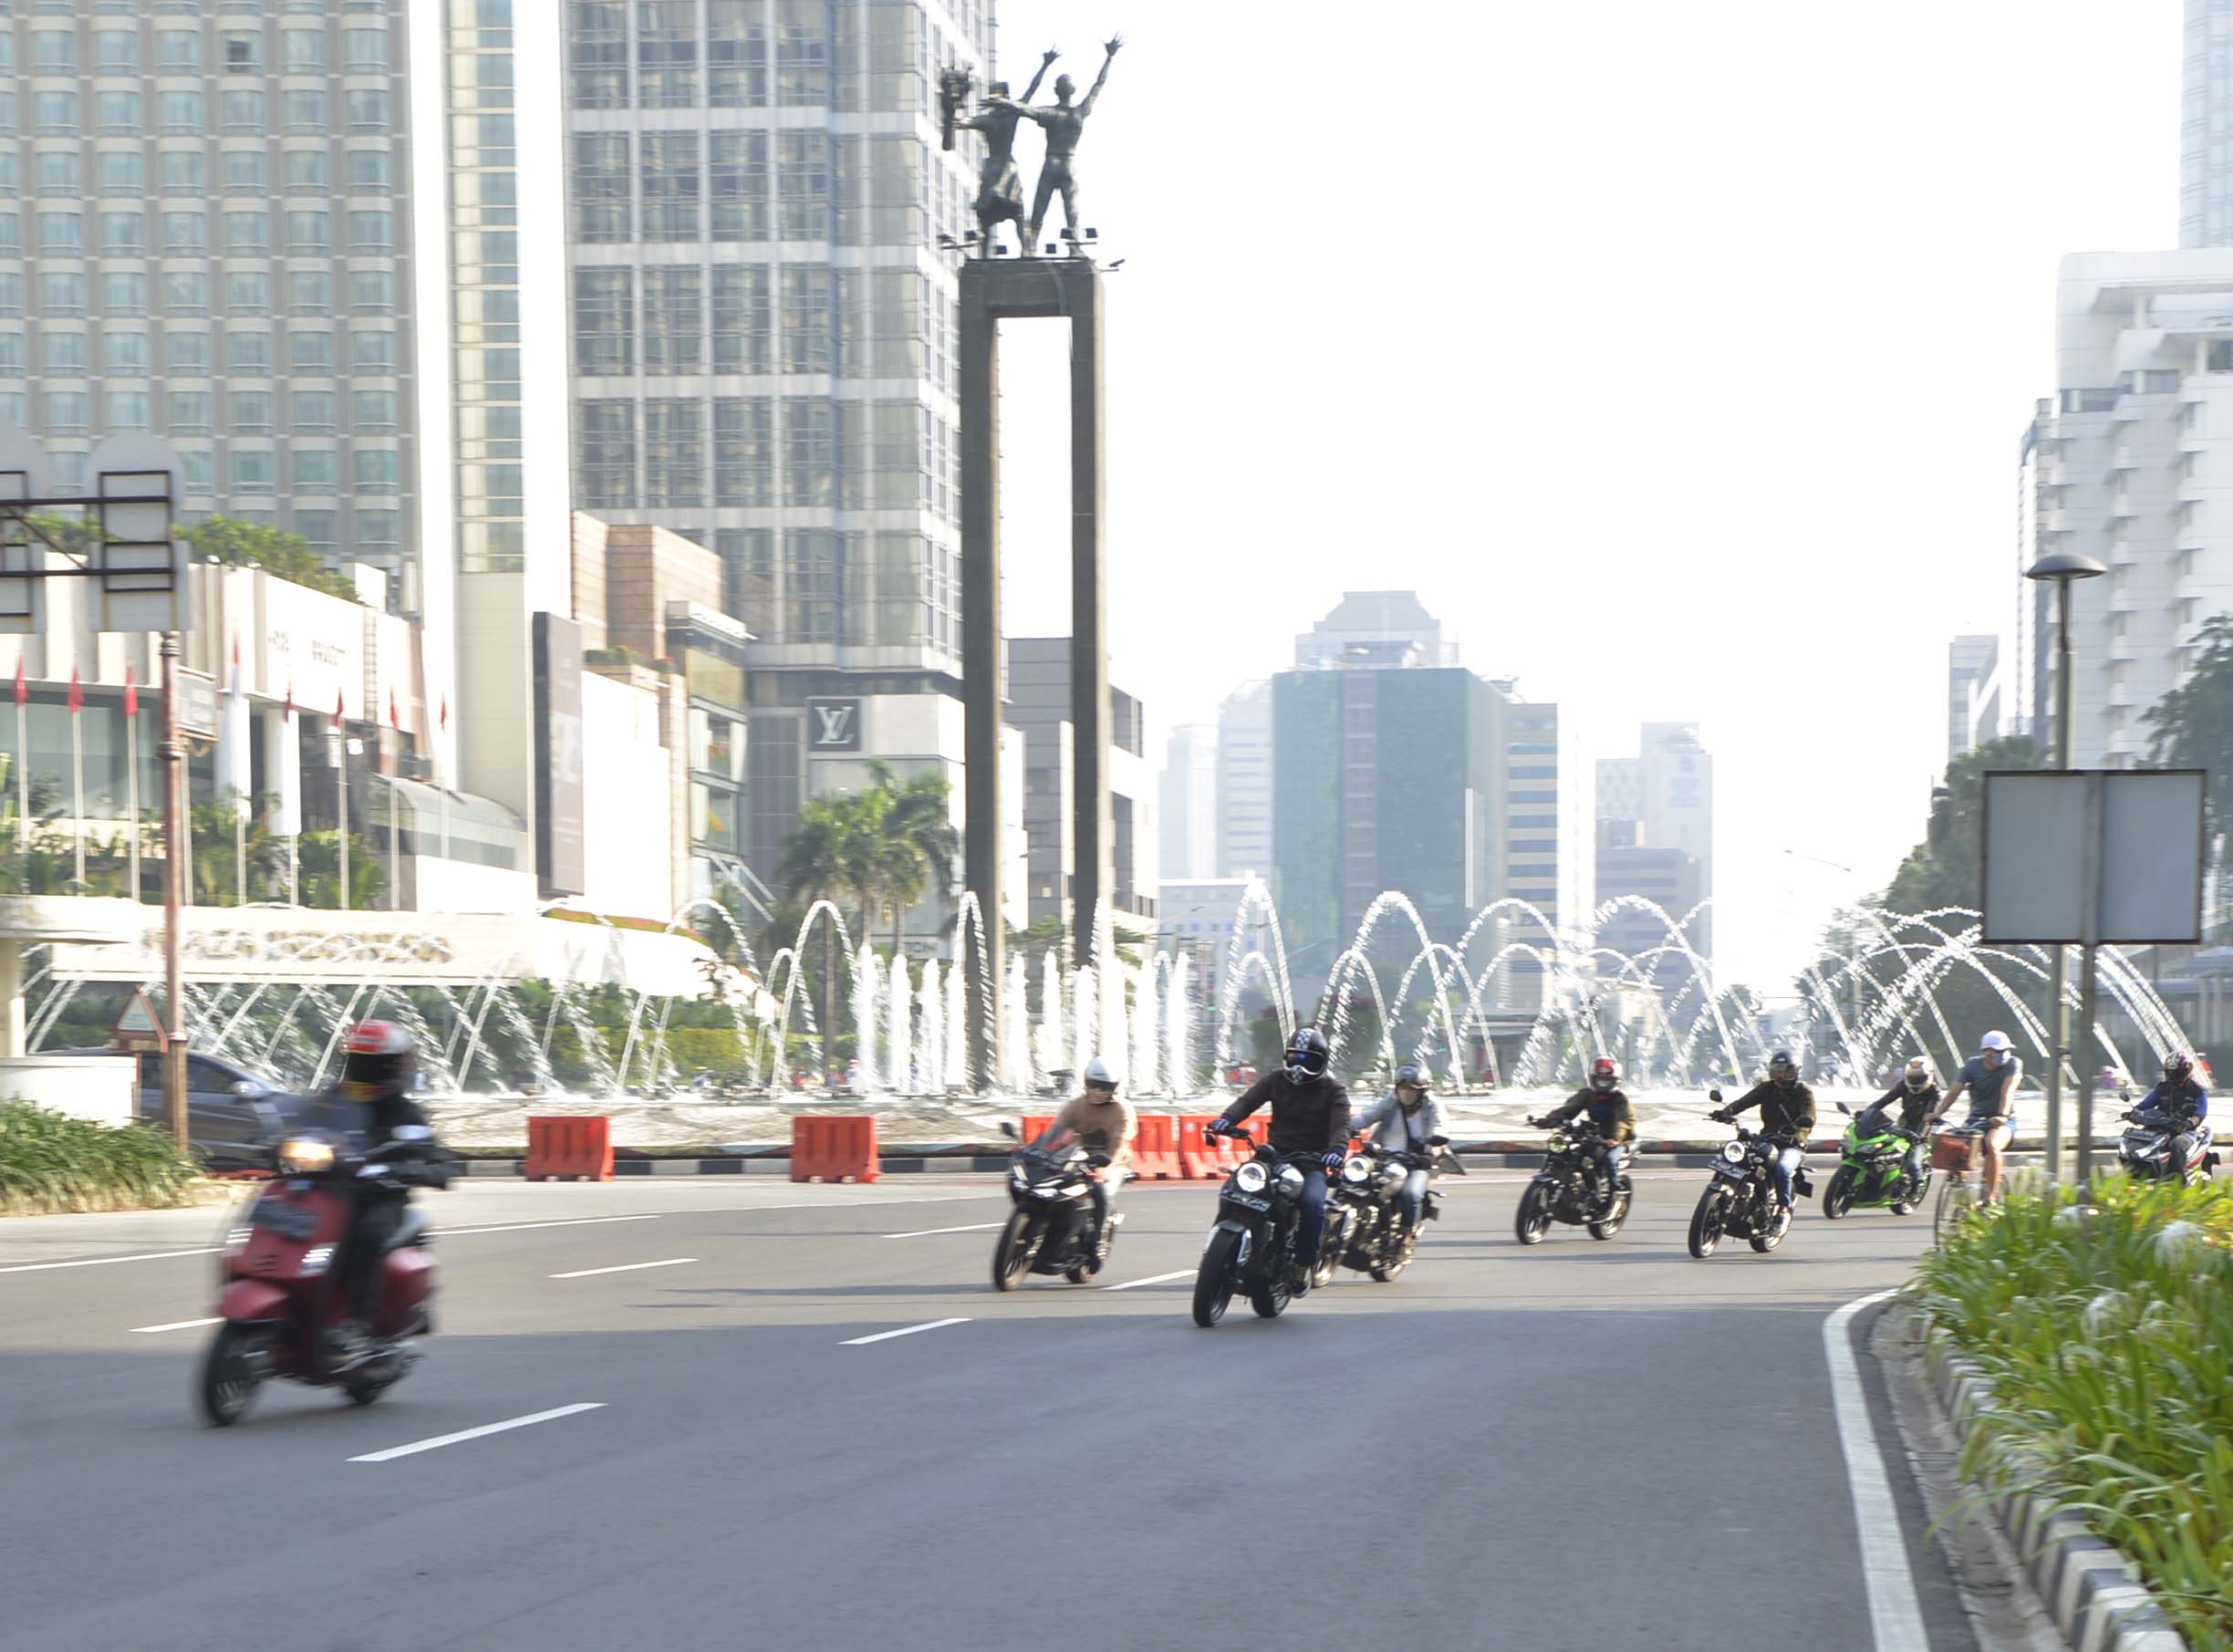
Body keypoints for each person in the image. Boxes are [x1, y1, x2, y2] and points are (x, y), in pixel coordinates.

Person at [329, 1021, 451, 1362]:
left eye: (369, 1063)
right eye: (356, 1061)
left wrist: (415, 1169)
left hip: (380, 1198)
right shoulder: (333, 1099)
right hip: (330, 1192)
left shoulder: (403, 1110)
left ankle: (357, 1325)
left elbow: (436, 1159)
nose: (361, 1070)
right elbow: (304, 1123)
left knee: (367, 1235)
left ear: (390, 1066)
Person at [1209, 1026, 1351, 1294]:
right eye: (1295, 1057)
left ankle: (1301, 1266)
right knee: (1235, 1188)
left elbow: (1341, 1126)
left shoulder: (1334, 1091)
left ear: (1321, 1061)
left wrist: (1337, 1150)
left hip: (1312, 1162)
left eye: (1307, 1059)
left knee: (1312, 1205)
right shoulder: (1275, 1080)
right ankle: (1218, 1241)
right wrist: (1226, 1120)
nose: (1300, 1065)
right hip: (1273, 1155)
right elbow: (1247, 1101)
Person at [1027, 1055, 1137, 1260]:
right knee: (1049, 1186)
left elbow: (1119, 1145)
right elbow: (1056, 1133)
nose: (1098, 1092)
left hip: (1113, 1162)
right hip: (1078, 1158)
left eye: (1104, 1087)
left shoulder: (1122, 1110)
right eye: (1094, 1085)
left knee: (1100, 1192)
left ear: (1113, 1088)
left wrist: (1108, 1169)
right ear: (1086, 1083)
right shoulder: (1076, 1105)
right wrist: (1038, 1151)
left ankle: (1096, 1242)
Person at [957, 47, 1059, 254]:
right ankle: (1022, 252)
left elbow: (1030, 91)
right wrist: (1045, 66)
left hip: (1000, 168)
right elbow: (967, 122)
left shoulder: (1000, 117)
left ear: (1003, 97)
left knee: (1001, 216)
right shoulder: (993, 119)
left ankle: (1017, 253)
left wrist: (1045, 66)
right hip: (1002, 167)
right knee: (1008, 215)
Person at [1348, 1061, 1449, 1234]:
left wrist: (1435, 1140)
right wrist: (1343, 1125)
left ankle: (1406, 1234)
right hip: (1384, 1158)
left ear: (1422, 1091)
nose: (1406, 1093)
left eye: (1412, 1089)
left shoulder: (1433, 1106)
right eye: (1402, 1088)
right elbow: (1367, 1117)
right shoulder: (1390, 1101)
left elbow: (1440, 1126)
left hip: (1417, 1163)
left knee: (1411, 1194)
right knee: (1352, 1180)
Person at [1709, 1050, 1816, 1213]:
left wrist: (1798, 1135)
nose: (1780, 1077)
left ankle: (1783, 1208)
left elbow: (1809, 1117)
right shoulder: (1767, 1088)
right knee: (1741, 1158)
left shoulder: (1804, 1093)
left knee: (1783, 1169)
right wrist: (1726, 1112)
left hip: (1791, 1144)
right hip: (1767, 1138)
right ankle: (1734, 1196)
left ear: (1795, 1072)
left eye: (1785, 1072)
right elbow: (1745, 1101)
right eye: (1777, 1072)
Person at [1531, 1055, 1636, 1213]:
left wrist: (1615, 1139)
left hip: (1619, 1140)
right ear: (1592, 1078)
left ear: (1615, 1080)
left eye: (1606, 1079)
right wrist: (1549, 1120)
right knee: (1571, 1152)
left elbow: (1621, 1122)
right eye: (1599, 1079)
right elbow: (1570, 1109)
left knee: (1609, 1160)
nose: (1602, 1082)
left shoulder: (1620, 1100)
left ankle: (1616, 1195)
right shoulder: (1587, 1094)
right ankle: (1573, 1187)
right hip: (1595, 1134)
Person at [1931, 1030, 2021, 1207]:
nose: (2003, 1055)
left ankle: (1991, 1198)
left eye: (2005, 1051)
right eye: (1998, 1051)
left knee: (1992, 1145)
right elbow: (1954, 1092)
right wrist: (1937, 1113)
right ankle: (1960, 1190)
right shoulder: (1972, 1065)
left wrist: (2002, 1115)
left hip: (2003, 1121)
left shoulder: (2013, 1063)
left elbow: (2008, 1090)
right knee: (1955, 1148)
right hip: (1976, 1120)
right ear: (1986, 1051)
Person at [1856, 1057, 1937, 1190]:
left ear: (1928, 1075)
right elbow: (1883, 1101)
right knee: (1878, 1151)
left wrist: (1918, 1135)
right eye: (1912, 1077)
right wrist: (1867, 1113)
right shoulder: (1903, 1086)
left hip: (1921, 1133)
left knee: (1912, 1163)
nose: (1915, 1080)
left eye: (1919, 1077)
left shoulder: (1934, 1092)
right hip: (1903, 1125)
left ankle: (1918, 1184)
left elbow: (1928, 1115)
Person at [2134, 1050, 2211, 1181]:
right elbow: (2145, 1104)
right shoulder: (2163, 1088)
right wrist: (2133, 1113)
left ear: (2186, 1070)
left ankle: (2177, 1180)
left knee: (2177, 1144)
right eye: (2170, 1072)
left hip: (2186, 1132)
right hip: (2161, 1127)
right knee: (2139, 1139)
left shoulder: (2198, 1091)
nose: (2172, 1075)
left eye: (2176, 1072)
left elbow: (2200, 1114)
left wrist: (2189, 1123)